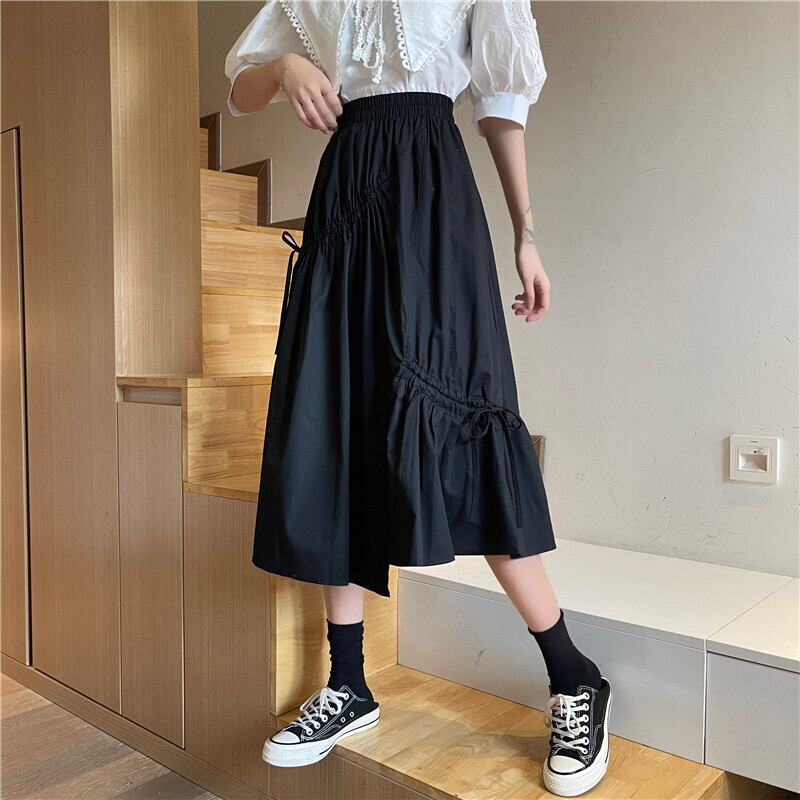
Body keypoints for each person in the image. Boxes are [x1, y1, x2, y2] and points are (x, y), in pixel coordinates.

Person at [225, 1, 612, 795]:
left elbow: (500, 104)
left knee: (467, 412)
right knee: (335, 420)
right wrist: (287, 68)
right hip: (345, 199)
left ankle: (573, 674)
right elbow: (241, 87)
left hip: (432, 194)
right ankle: (348, 682)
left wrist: (526, 234)